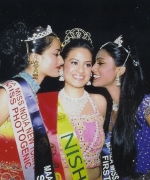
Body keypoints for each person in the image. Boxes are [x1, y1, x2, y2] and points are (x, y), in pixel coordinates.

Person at [38, 28, 107, 180]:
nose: (81, 70)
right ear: (62, 65)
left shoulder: (99, 102)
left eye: (87, 64)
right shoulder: (44, 104)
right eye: (74, 62)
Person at [0, 21, 63, 179]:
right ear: (35, 58)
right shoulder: (9, 93)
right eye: (56, 54)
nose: (61, 61)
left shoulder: (37, 96)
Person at [92, 35, 150, 180]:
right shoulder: (109, 110)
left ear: (120, 70)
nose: (93, 68)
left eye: (100, 63)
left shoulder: (145, 104)